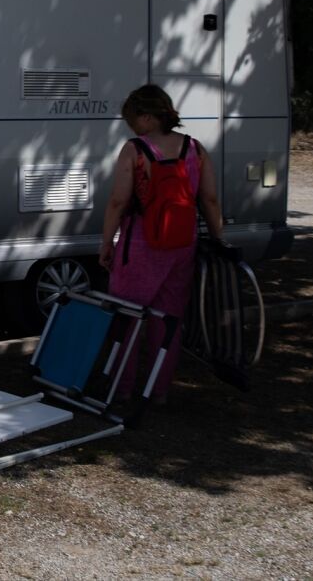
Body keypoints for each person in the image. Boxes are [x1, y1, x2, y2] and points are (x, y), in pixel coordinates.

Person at [98, 83, 225, 404]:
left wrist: (107, 242)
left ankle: (121, 388)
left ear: (148, 117)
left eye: (133, 119)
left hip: (140, 243)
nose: (131, 126)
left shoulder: (135, 150)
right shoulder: (195, 149)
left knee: (126, 317)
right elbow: (208, 198)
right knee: (167, 320)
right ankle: (159, 391)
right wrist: (218, 237)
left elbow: (117, 201)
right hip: (183, 243)